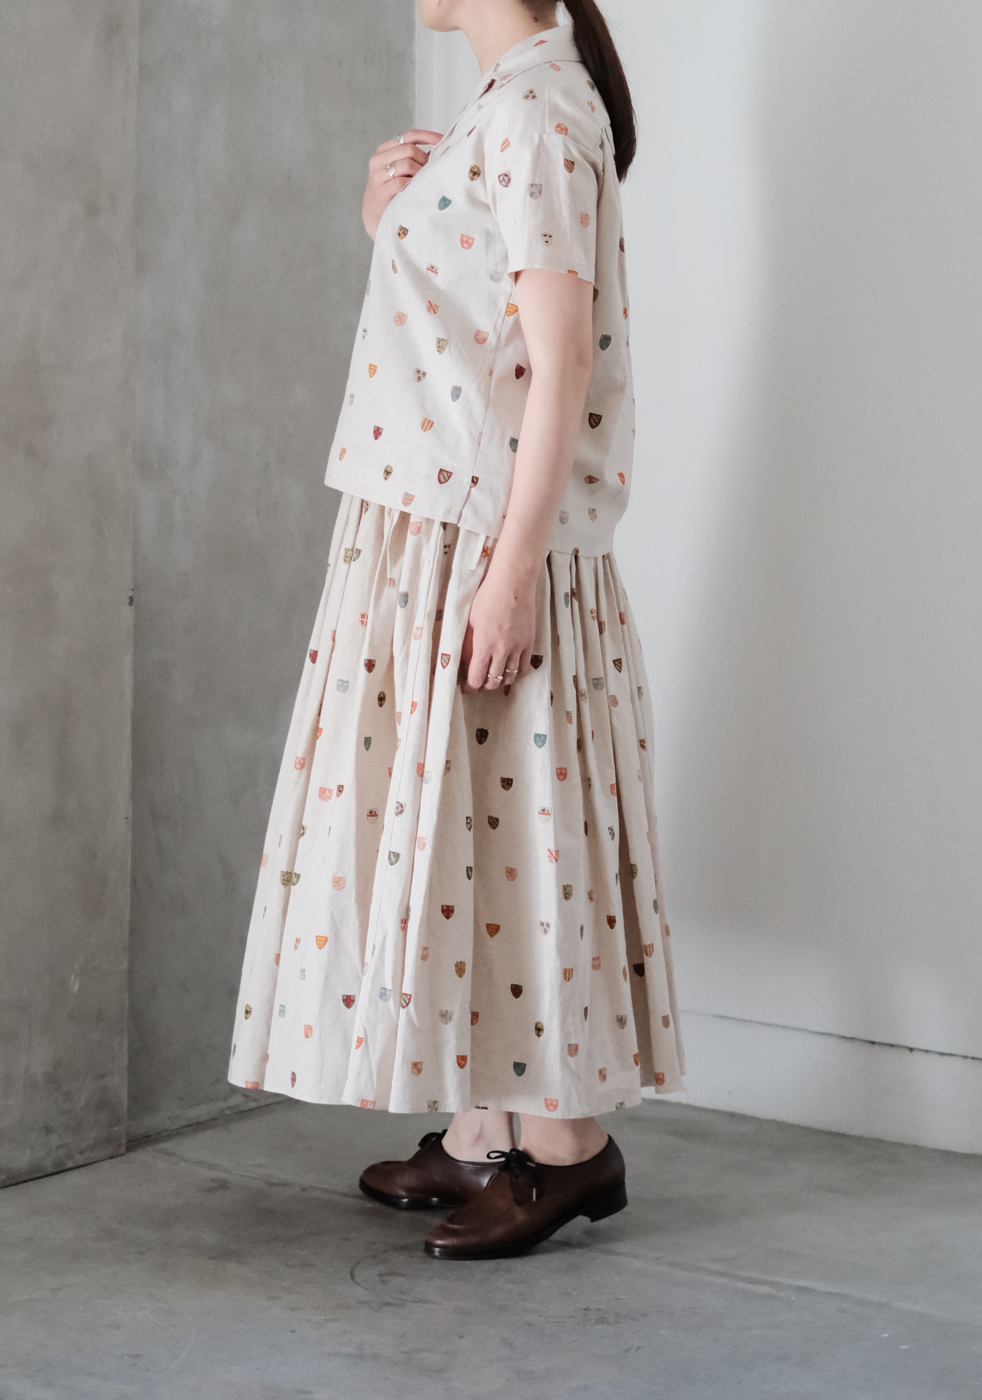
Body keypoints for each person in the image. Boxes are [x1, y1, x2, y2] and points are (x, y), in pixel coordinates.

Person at [228, 0, 684, 1260]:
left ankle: (567, 1144)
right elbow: (478, 321)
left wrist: (513, 567)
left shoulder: (538, 111)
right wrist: (393, 226)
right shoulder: (511, 102)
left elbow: (561, 354)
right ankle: (488, 1124)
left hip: (475, 536)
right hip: (434, 523)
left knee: (514, 826)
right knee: (469, 831)